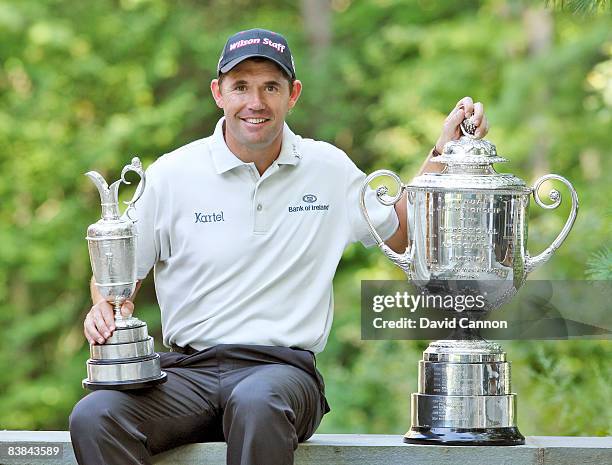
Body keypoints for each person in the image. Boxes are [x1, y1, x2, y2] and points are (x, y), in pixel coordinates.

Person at [69, 28, 488, 465]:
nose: (256, 102)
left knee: (256, 401)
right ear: (218, 93)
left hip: (281, 375)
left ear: (293, 95)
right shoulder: (172, 174)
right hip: (187, 375)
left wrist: (445, 151)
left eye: (271, 86)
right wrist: (105, 307)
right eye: (241, 87)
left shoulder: (328, 168)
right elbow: (118, 276)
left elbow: (402, 231)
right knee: (95, 416)